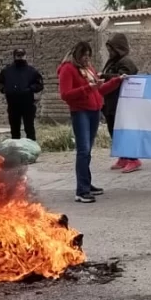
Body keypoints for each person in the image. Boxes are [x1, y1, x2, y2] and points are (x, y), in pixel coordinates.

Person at [57, 41, 124, 204]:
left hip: (94, 110)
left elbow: (99, 90)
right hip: (80, 112)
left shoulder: (88, 68)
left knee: (87, 151)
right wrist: (89, 88)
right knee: (83, 151)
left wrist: (116, 81)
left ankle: (87, 183)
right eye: (84, 55)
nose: (87, 58)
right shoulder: (68, 69)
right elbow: (66, 94)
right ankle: (81, 190)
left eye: (88, 55)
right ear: (76, 55)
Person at [100, 33, 142, 174]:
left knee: (124, 131)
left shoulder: (126, 62)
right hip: (110, 102)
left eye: (112, 49)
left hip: (122, 102)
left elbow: (123, 78)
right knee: (114, 130)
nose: (110, 52)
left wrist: (104, 76)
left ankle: (133, 159)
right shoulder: (112, 62)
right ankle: (123, 156)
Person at [0, 48, 43, 142]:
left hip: (27, 104)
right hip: (13, 104)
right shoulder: (7, 71)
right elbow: (0, 83)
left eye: (22, 55)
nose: (20, 57)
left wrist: (30, 89)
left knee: (29, 128)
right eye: (18, 55)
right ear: (14, 56)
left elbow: (39, 84)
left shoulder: (32, 71)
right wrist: (4, 89)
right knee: (14, 130)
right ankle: (16, 151)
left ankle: (31, 148)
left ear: (25, 56)